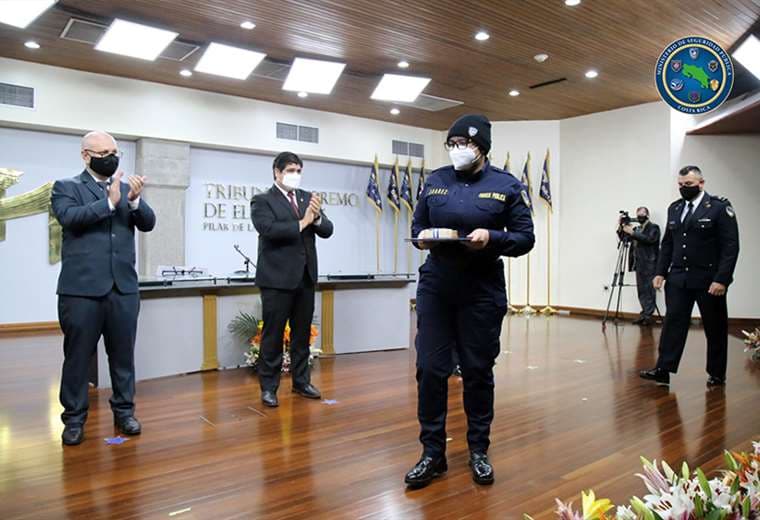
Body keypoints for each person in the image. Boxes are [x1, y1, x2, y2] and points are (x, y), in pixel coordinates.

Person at [405, 114, 535, 488]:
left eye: (465, 143)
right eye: (453, 143)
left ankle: (479, 450)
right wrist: (423, 238)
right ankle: (432, 454)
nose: (457, 149)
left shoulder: (506, 185)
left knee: (477, 371)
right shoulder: (435, 180)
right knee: (430, 368)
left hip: (481, 288)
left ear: (482, 148)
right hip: (437, 285)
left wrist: (492, 238)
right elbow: (417, 226)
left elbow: (525, 238)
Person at [51, 130, 156, 446]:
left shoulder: (125, 189)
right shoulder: (66, 187)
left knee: (123, 357)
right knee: (78, 358)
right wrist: (109, 203)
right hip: (81, 291)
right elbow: (70, 218)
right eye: (104, 153)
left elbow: (148, 223)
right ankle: (74, 419)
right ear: (86, 155)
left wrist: (133, 200)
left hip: (122, 290)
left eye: (115, 152)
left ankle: (124, 412)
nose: (111, 158)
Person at [640, 166, 739, 386]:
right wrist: (660, 272)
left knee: (715, 327)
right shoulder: (675, 208)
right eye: (681, 184)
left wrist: (722, 279)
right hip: (678, 278)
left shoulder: (719, 208)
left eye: (689, 184)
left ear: (701, 183)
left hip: (708, 280)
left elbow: (730, 247)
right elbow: (668, 244)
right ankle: (663, 369)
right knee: (672, 325)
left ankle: (716, 373)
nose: (684, 188)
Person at [250, 152, 334, 408]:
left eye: (298, 170)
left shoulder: (307, 198)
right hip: (276, 279)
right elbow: (269, 230)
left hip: (305, 277)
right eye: (290, 170)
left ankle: (301, 382)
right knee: (273, 336)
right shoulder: (262, 200)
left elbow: (327, 230)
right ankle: (269, 387)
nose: (295, 175)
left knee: (301, 334)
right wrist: (303, 221)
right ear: (277, 172)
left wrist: (316, 218)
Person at [619, 207, 661, 325]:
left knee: (649, 290)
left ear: (647, 215)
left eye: (642, 214)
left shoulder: (654, 228)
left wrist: (633, 233)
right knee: (641, 290)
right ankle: (644, 314)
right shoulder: (637, 229)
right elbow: (624, 239)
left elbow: (649, 239)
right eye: (638, 215)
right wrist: (621, 227)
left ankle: (648, 315)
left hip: (650, 263)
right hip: (638, 263)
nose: (640, 217)